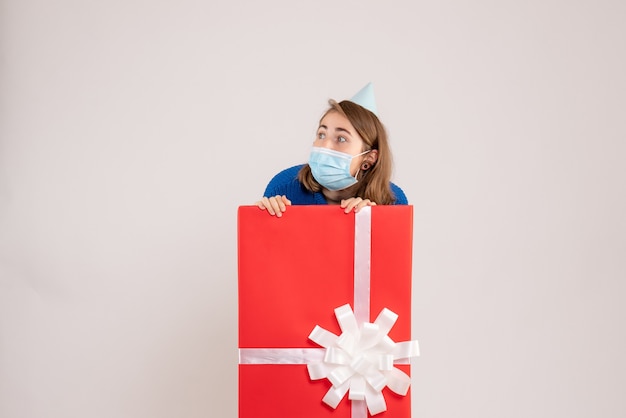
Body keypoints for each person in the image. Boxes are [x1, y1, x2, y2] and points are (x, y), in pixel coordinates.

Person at [256, 83, 407, 217]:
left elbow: (394, 248)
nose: (325, 145)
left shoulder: (393, 202)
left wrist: (373, 223)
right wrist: (263, 219)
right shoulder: (282, 187)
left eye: (341, 139)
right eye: (321, 134)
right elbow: (262, 247)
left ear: (369, 158)